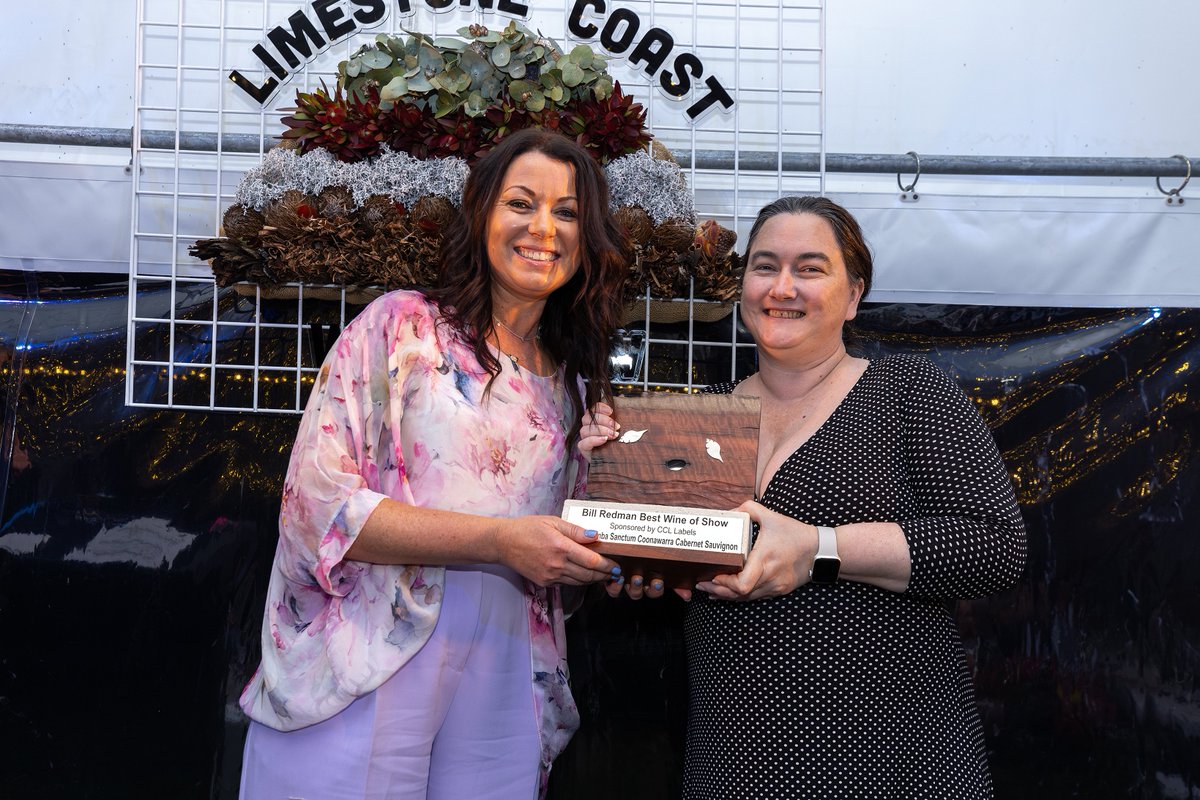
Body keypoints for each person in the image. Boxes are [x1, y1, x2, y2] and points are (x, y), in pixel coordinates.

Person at [581, 196, 1027, 798]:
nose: (782, 287)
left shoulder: (911, 395)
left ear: (853, 295)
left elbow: (994, 547)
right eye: (764, 266)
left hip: (894, 760)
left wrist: (820, 547)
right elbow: (671, 570)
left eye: (810, 268)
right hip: (733, 759)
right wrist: (619, 514)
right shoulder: (692, 416)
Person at [238, 128, 631, 800]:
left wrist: (615, 552)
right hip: (372, 647)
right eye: (522, 203)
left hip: (507, 662)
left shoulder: (570, 387)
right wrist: (501, 542)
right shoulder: (401, 328)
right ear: (480, 213)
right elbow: (318, 507)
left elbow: (559, 573)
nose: (544, 228)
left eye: (567, 212)